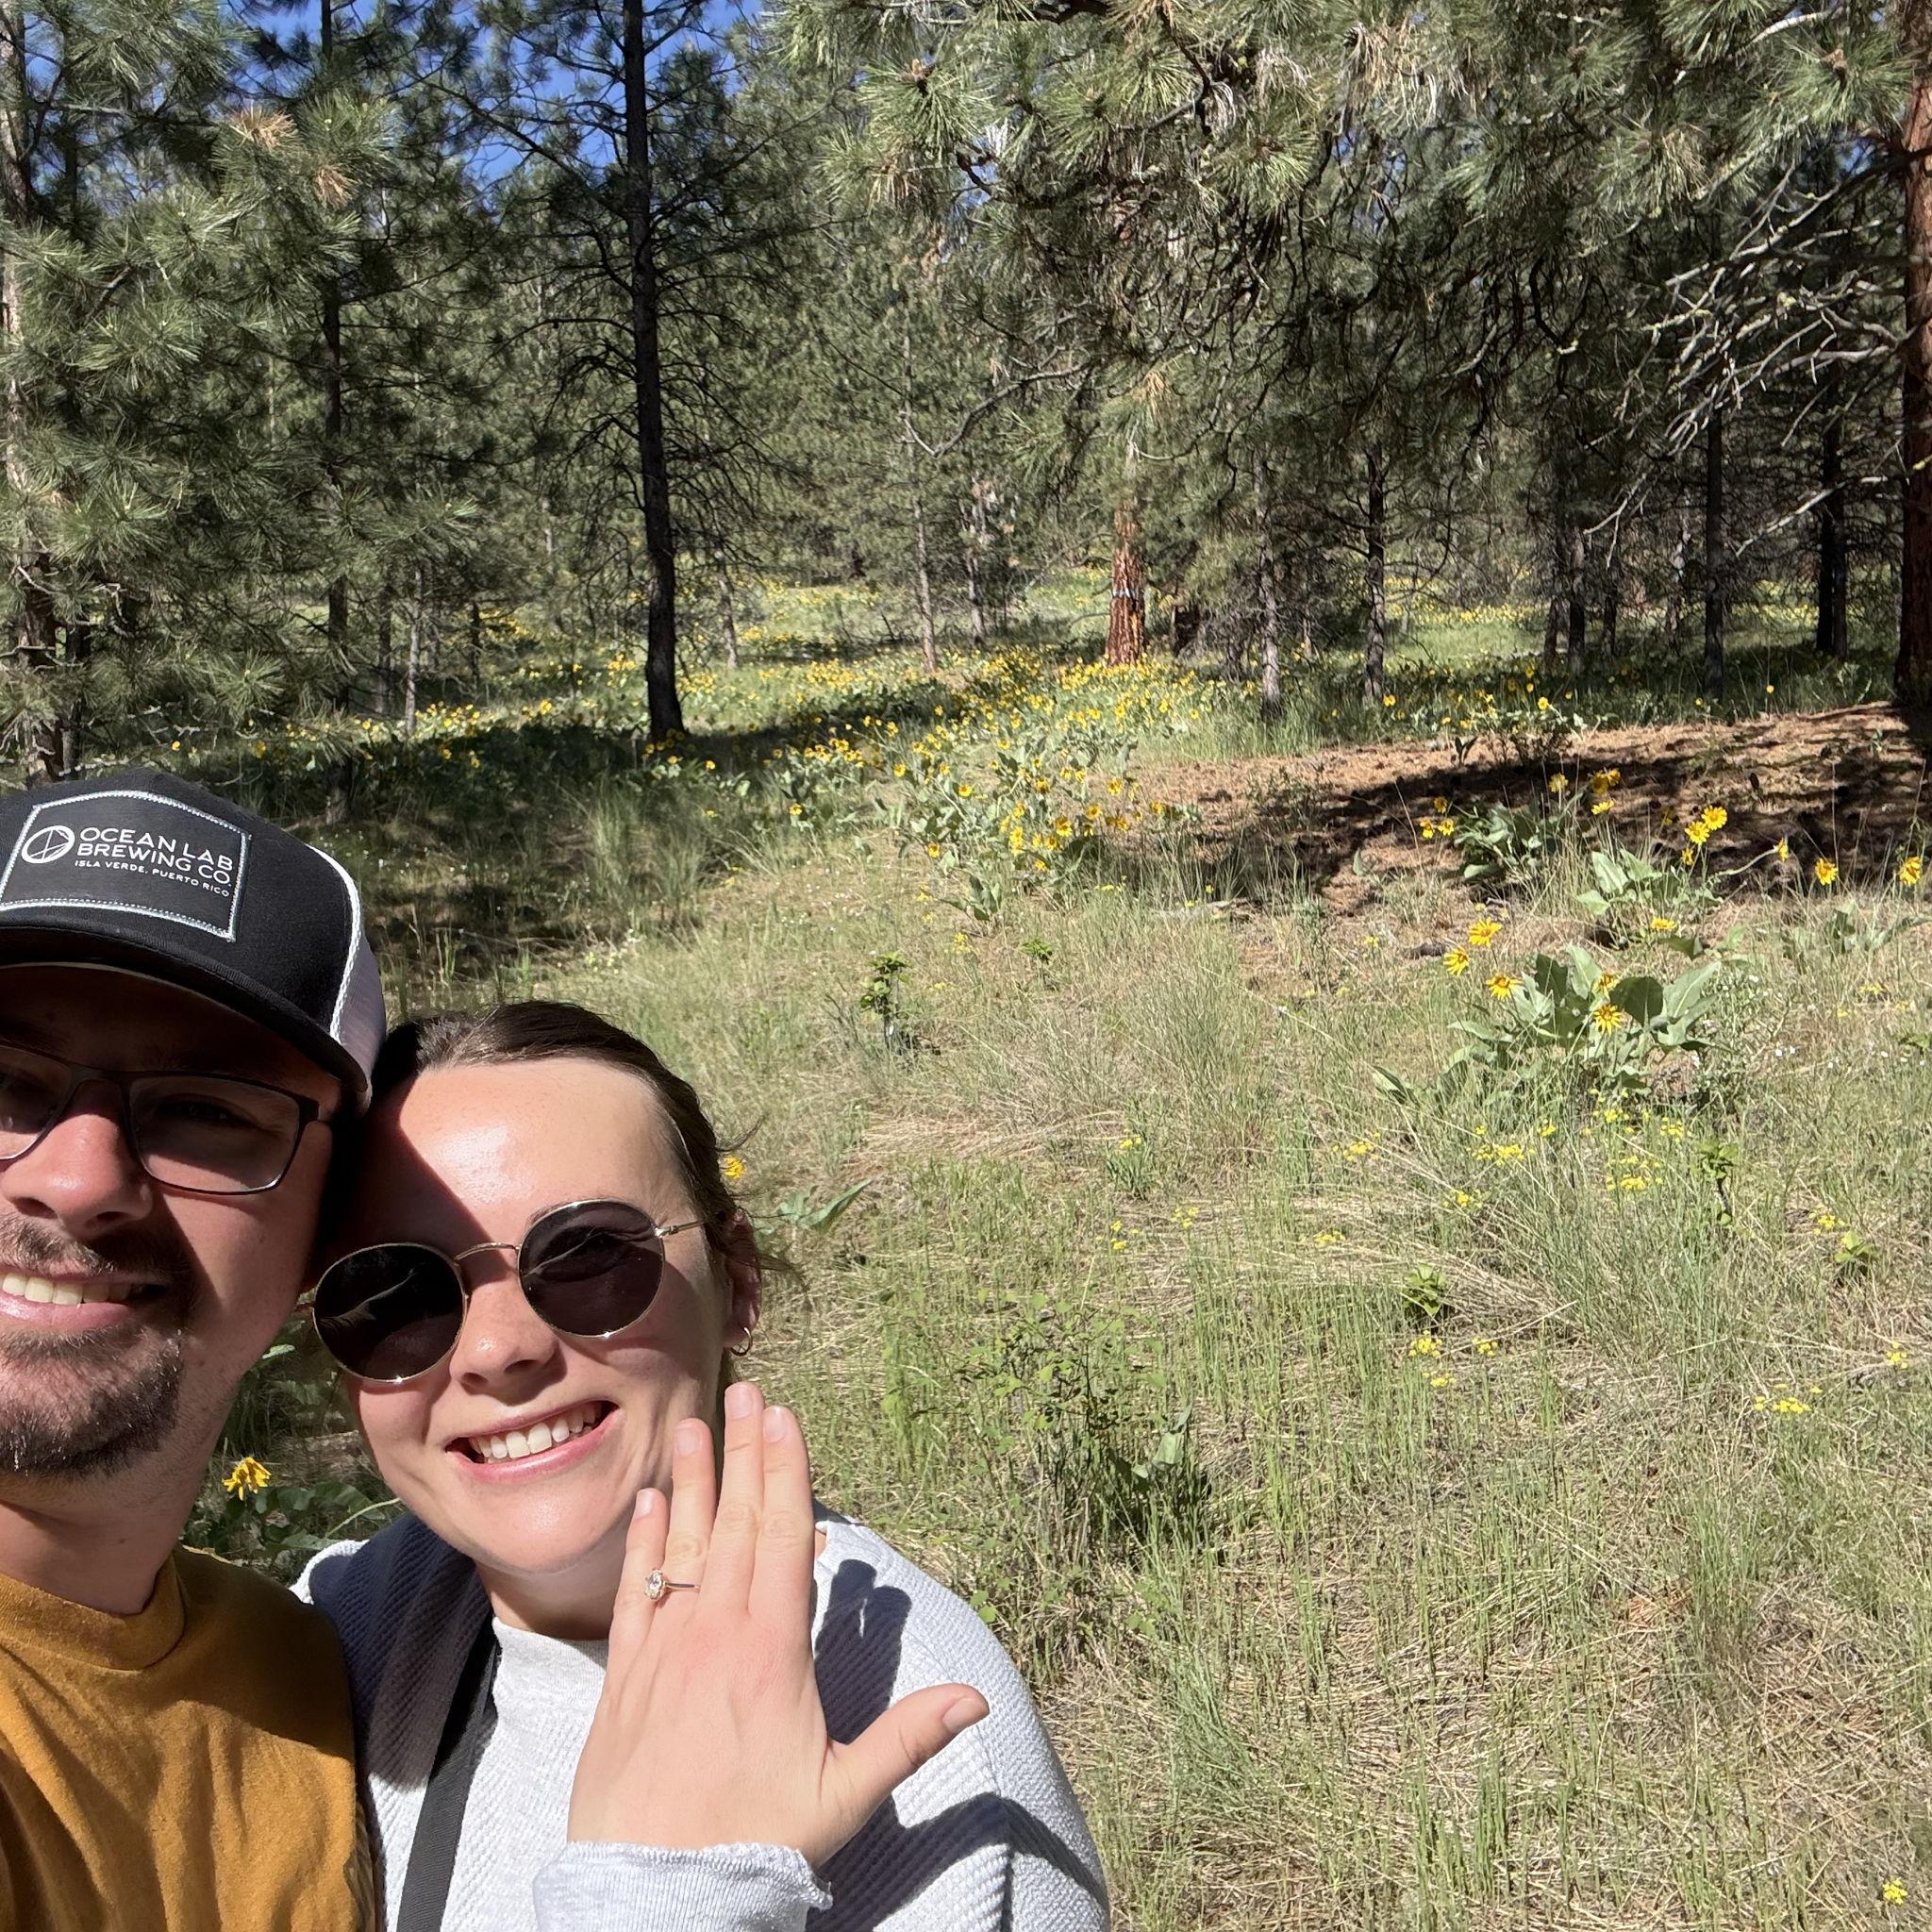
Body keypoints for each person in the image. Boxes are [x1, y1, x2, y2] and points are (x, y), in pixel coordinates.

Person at [300, 999, 1110, 1931]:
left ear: (739, 1280)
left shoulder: (910, 1736)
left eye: (586, 1254)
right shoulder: (327, 1643)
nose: (497, 1348)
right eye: (393, 1293)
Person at [0, 764, 385, 1930]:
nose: (78, 1179)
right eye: (2, 1083)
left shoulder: (309, 1672)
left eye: (208, 1111)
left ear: (331, 1235)